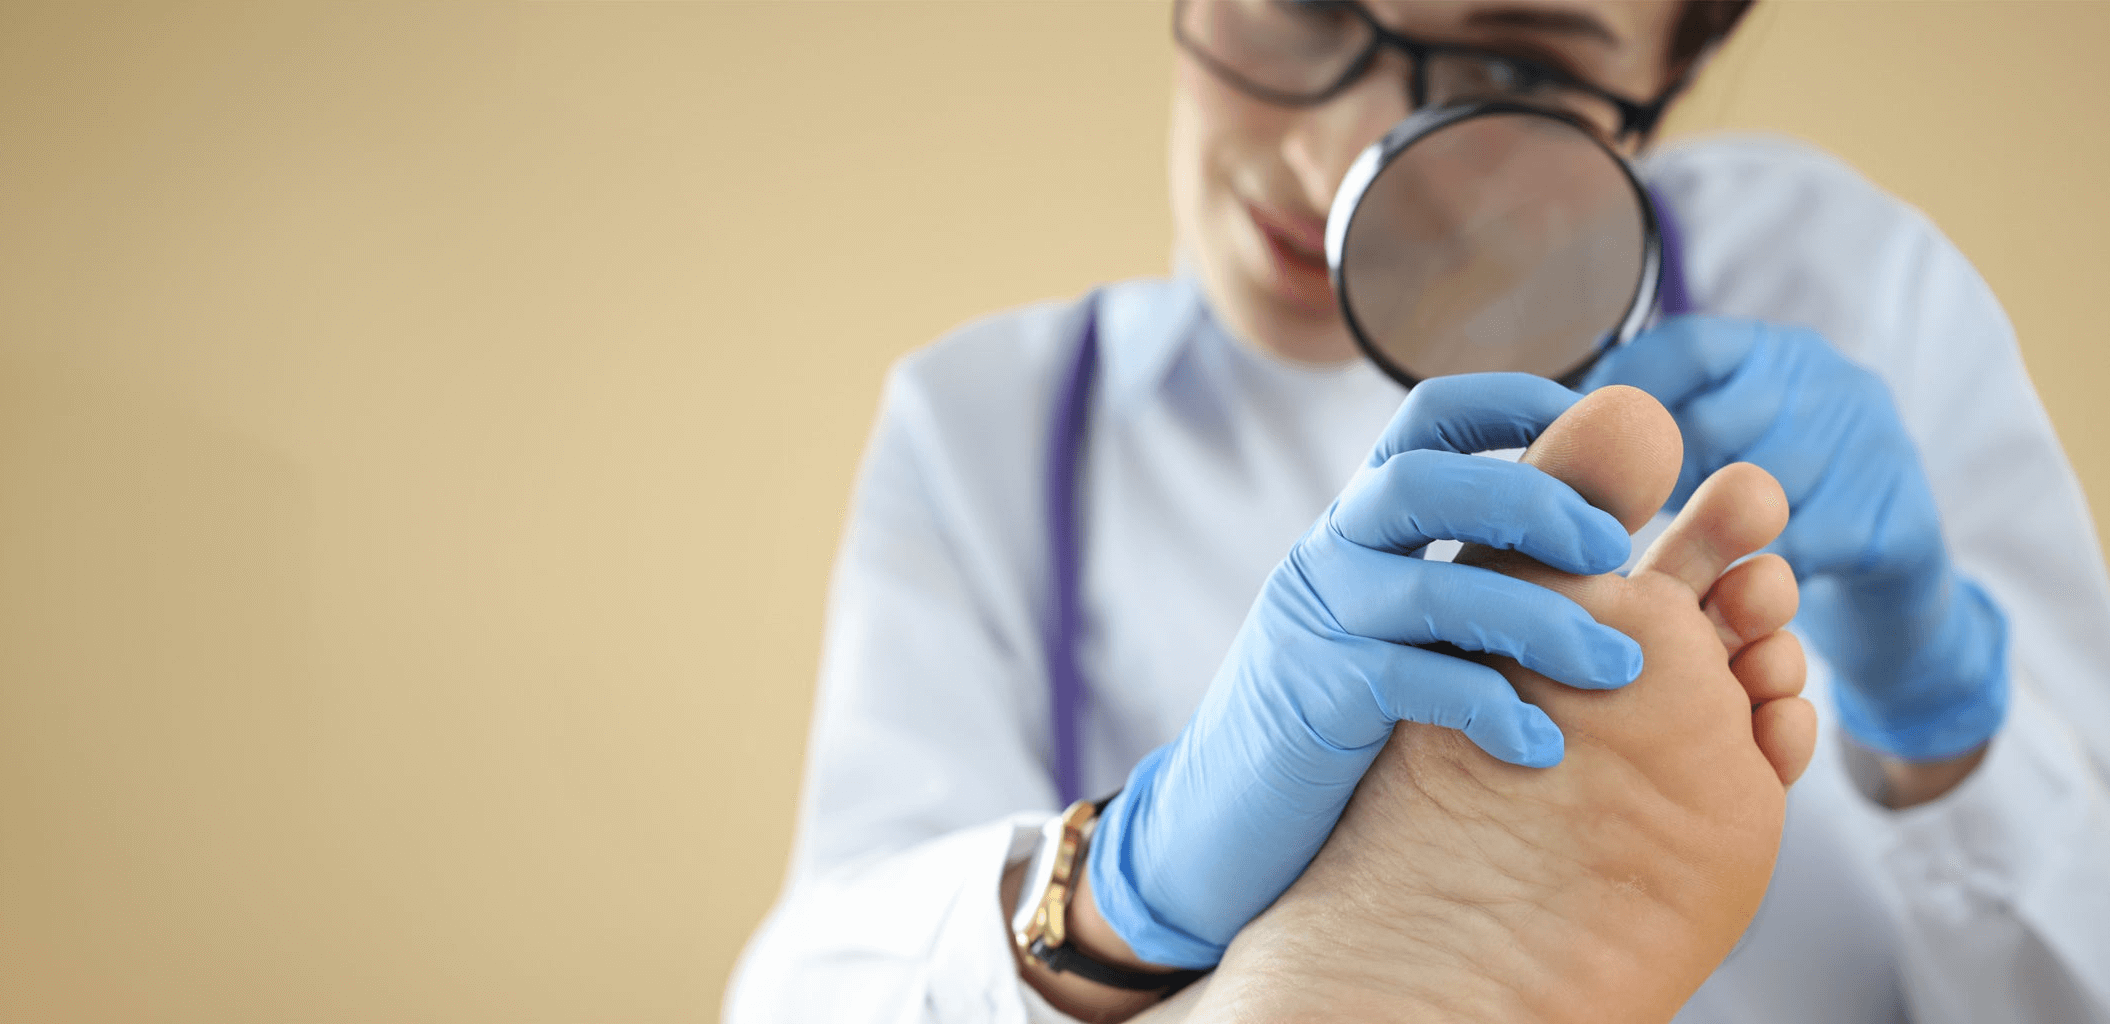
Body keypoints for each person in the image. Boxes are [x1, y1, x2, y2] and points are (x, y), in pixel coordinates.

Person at [727, 2, 2110, 1021]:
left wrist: (1941, 706)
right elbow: (792, 1000)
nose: (1346, 157)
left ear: (1668, 79)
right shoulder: (997, 422)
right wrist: (1119, 886)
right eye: (1307, 2)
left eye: (1515, 68)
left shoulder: (1842, 281)